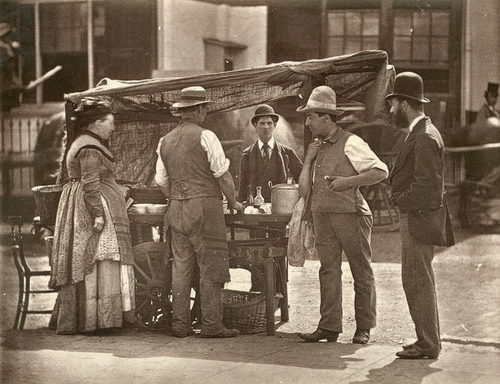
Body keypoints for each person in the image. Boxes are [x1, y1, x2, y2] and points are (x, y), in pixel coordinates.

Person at [296, 85, 388, 344]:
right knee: (328, 271)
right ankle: (329, 327)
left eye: (310, 117)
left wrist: (347, 182)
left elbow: (381, 172)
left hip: (351, 215)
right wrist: (308, 160)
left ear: (326, 117)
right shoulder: (315, 147)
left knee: (361, 271)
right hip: (322, 215)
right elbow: (304, 191)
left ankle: (364, 328)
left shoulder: (352, 141)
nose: (307, 122)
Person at [155, 86, 244, 338]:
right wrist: (234, 202)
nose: (206, 111)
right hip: (204, 209)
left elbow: (161, 181)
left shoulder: (165, 140)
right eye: (204, 107)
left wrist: (177, 196)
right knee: (210, 267)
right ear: (197, 110)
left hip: (176, 210)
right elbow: (223, 176)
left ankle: (180, 326)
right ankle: (211, 325)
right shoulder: (207, 136)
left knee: (180, 268)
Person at [49, 100, 136, 335]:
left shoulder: (86, 142)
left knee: (93, 258)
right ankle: (97, 321)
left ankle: (93, 319)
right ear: (96, 123)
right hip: (88, 206)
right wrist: (97, 213)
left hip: (83, 202)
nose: (113, 128)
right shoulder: (89, 146)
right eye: (109, 123)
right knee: (97, 257)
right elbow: (90, 182)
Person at [386, 72, 455, 359]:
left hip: (418, 218)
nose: (390, 110)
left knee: (417, 280)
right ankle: (426, 339)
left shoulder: (424, 137)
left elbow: (426, 188)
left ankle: (427, 342)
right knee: (417, 279)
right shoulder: (422, 132)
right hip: (419, 218)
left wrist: (400, 201)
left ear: (404, 103)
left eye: (393, 104)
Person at [238, 104, 303, 204]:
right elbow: (243, 188)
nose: (266, 127)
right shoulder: (247, 155)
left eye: (269, 123)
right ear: (255, 125)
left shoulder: (287, 152)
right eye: (262, 123)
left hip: (280, 207)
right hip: (256, 209)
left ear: (275, 125)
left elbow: (302, 178)